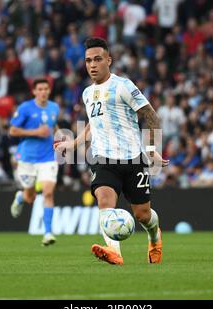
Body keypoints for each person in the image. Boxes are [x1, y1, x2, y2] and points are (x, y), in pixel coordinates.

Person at [55, 37, 169, 265]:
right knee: (104, 202)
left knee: (142, 215)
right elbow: (92, 125)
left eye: (97, 59)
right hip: (102, 158)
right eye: (88, 61)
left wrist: (152, 148)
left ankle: (154, 237)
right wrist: (73, 144)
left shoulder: (123, 86)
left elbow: (152, 116)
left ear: (109, 60)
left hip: (132, 158)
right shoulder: (87, 93)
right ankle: (114, 251)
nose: (92, 65)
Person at [9, 78, 59, 246]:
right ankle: (20, 198)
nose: (43, 92)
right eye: (40, 89)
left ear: (49, 91)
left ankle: (47, 233)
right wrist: (36, 132)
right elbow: (13, 130)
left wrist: (60, 139)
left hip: (48, 157)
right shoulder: (25, 108)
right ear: (34, 91)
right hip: (27, 159)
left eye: (46, 88)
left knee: (48, 193)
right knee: (30, 197)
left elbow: (54, 126)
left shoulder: (54, 107)